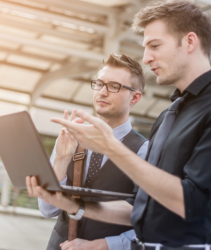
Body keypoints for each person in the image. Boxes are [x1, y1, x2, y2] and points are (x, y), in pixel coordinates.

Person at [27, 0, 211, 248]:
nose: (146, 58)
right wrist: (72, 205)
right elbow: (140, 207)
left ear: (190, 42)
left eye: (155, 46)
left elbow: (191, 202)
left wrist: (110, 147)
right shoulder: (169, 115)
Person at [39, 54, 149, 250]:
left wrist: (103, 245)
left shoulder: (144, 150)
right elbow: (48, 210)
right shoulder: (70, 136)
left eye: (114, 86)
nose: (103, 92)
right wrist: (62, 160)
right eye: (99, 84)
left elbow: (147, 220)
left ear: (135, 97)